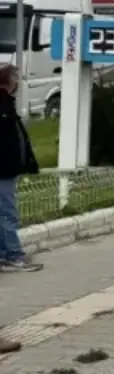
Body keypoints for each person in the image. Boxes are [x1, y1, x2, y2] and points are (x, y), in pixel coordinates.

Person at [0, 64, 39, 354]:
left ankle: (7, 253)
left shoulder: (7, 105)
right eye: (17, 80)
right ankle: (13, 255)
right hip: (1, 170)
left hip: (8, 169)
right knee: (7, 213)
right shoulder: (1, 105)